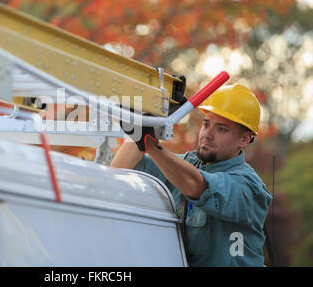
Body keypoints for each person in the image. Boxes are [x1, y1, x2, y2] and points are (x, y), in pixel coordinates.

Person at [110, 83, 273, 267]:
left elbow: (196, 186)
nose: (207, 134)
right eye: (206, 124)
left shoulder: (248, 186)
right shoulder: (187, 164)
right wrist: (151, 121)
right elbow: (119, 171)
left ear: (244, 139)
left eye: (221, 129)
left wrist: (148, 141)